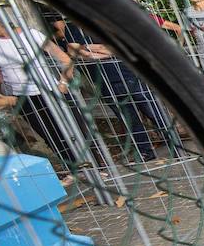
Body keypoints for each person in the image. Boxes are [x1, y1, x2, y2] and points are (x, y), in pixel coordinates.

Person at [54, 17, 182, 161]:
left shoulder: (107, 20)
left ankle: (177, 148)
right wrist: (95, 50)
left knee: (154, 112)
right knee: (128, 118)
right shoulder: (72, 27)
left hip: (130, 75)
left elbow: (118, 47)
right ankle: (145, 152)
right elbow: (73, 51)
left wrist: (87, 48)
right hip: (103, 81)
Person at [0, 11, 82, 175]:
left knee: (73, 128)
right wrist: (3, 92)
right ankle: (73, 170)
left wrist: (63, 83)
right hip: (21, 96)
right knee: (49, 134)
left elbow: (64, 58)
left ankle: (96, 168)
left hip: (49, 90)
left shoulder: (30, 34)